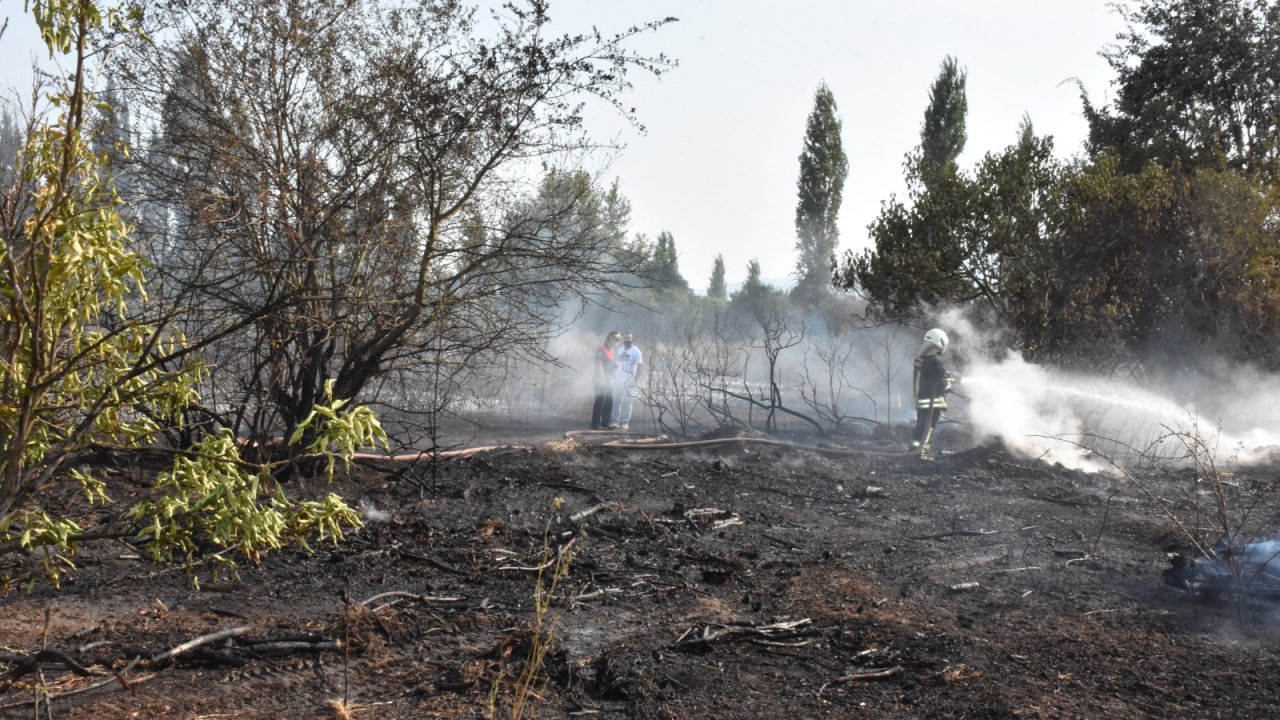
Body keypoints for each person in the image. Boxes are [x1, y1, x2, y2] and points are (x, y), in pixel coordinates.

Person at [911, 327, 955, 459]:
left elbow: (928, 379)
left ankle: (913, 449)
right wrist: (950, 383)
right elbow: (940, 384)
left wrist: (944, 378)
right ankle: (921, 453)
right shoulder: (936, 360)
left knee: (920, 426)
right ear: (940, 343)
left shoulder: (921, 360)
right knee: (928, 428)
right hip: (933, 403)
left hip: (922, 401)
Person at [610, 332, 643, 430]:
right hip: (618, 380)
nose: (627, 340)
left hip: (629, 381)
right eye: (625, 338)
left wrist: (635, 379)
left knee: (628, 402)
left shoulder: (636, 351)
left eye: (629, 338)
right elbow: (617, 364)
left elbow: (640, 366)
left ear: (632, 339)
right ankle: (615, 421)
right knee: (616, 401)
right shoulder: (620, 350)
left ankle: (625, 422)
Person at [590, 330, 621, 429]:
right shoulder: (601, 348)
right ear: (610, 338)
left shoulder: (611, 350)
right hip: (600, 380)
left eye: (618, 340)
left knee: (609, 402)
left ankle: (605, 424)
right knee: (599, 401)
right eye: (616, 339)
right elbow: (598, 365)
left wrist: (614, 366)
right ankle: (595, 425)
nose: (617, 342)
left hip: (608, 380)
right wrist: (602, 380)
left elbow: (608, 363)